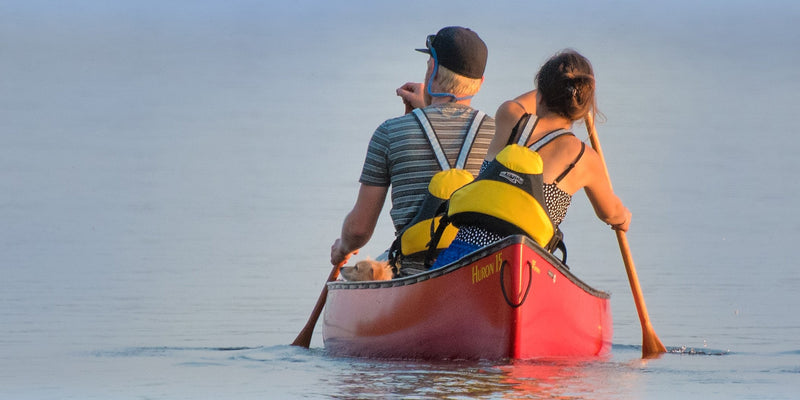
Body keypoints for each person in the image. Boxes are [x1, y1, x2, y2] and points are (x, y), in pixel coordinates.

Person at [432, 49, 631, 268]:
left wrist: (554, 85)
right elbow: (610, 213)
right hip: (527, 264)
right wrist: (623, 217)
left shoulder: (509, 117)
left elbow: (529, 100)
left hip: (464, 253)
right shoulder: (585, 158)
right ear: (582, 106)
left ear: (541, 94)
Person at [330, 26, 496, 275]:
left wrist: (342, 248)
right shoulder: (498, 133)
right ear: (480, 83)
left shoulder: (390, 133)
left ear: (432, 71)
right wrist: (425, 109)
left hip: (417, 275)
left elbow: (359, 230)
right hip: (480, 272)